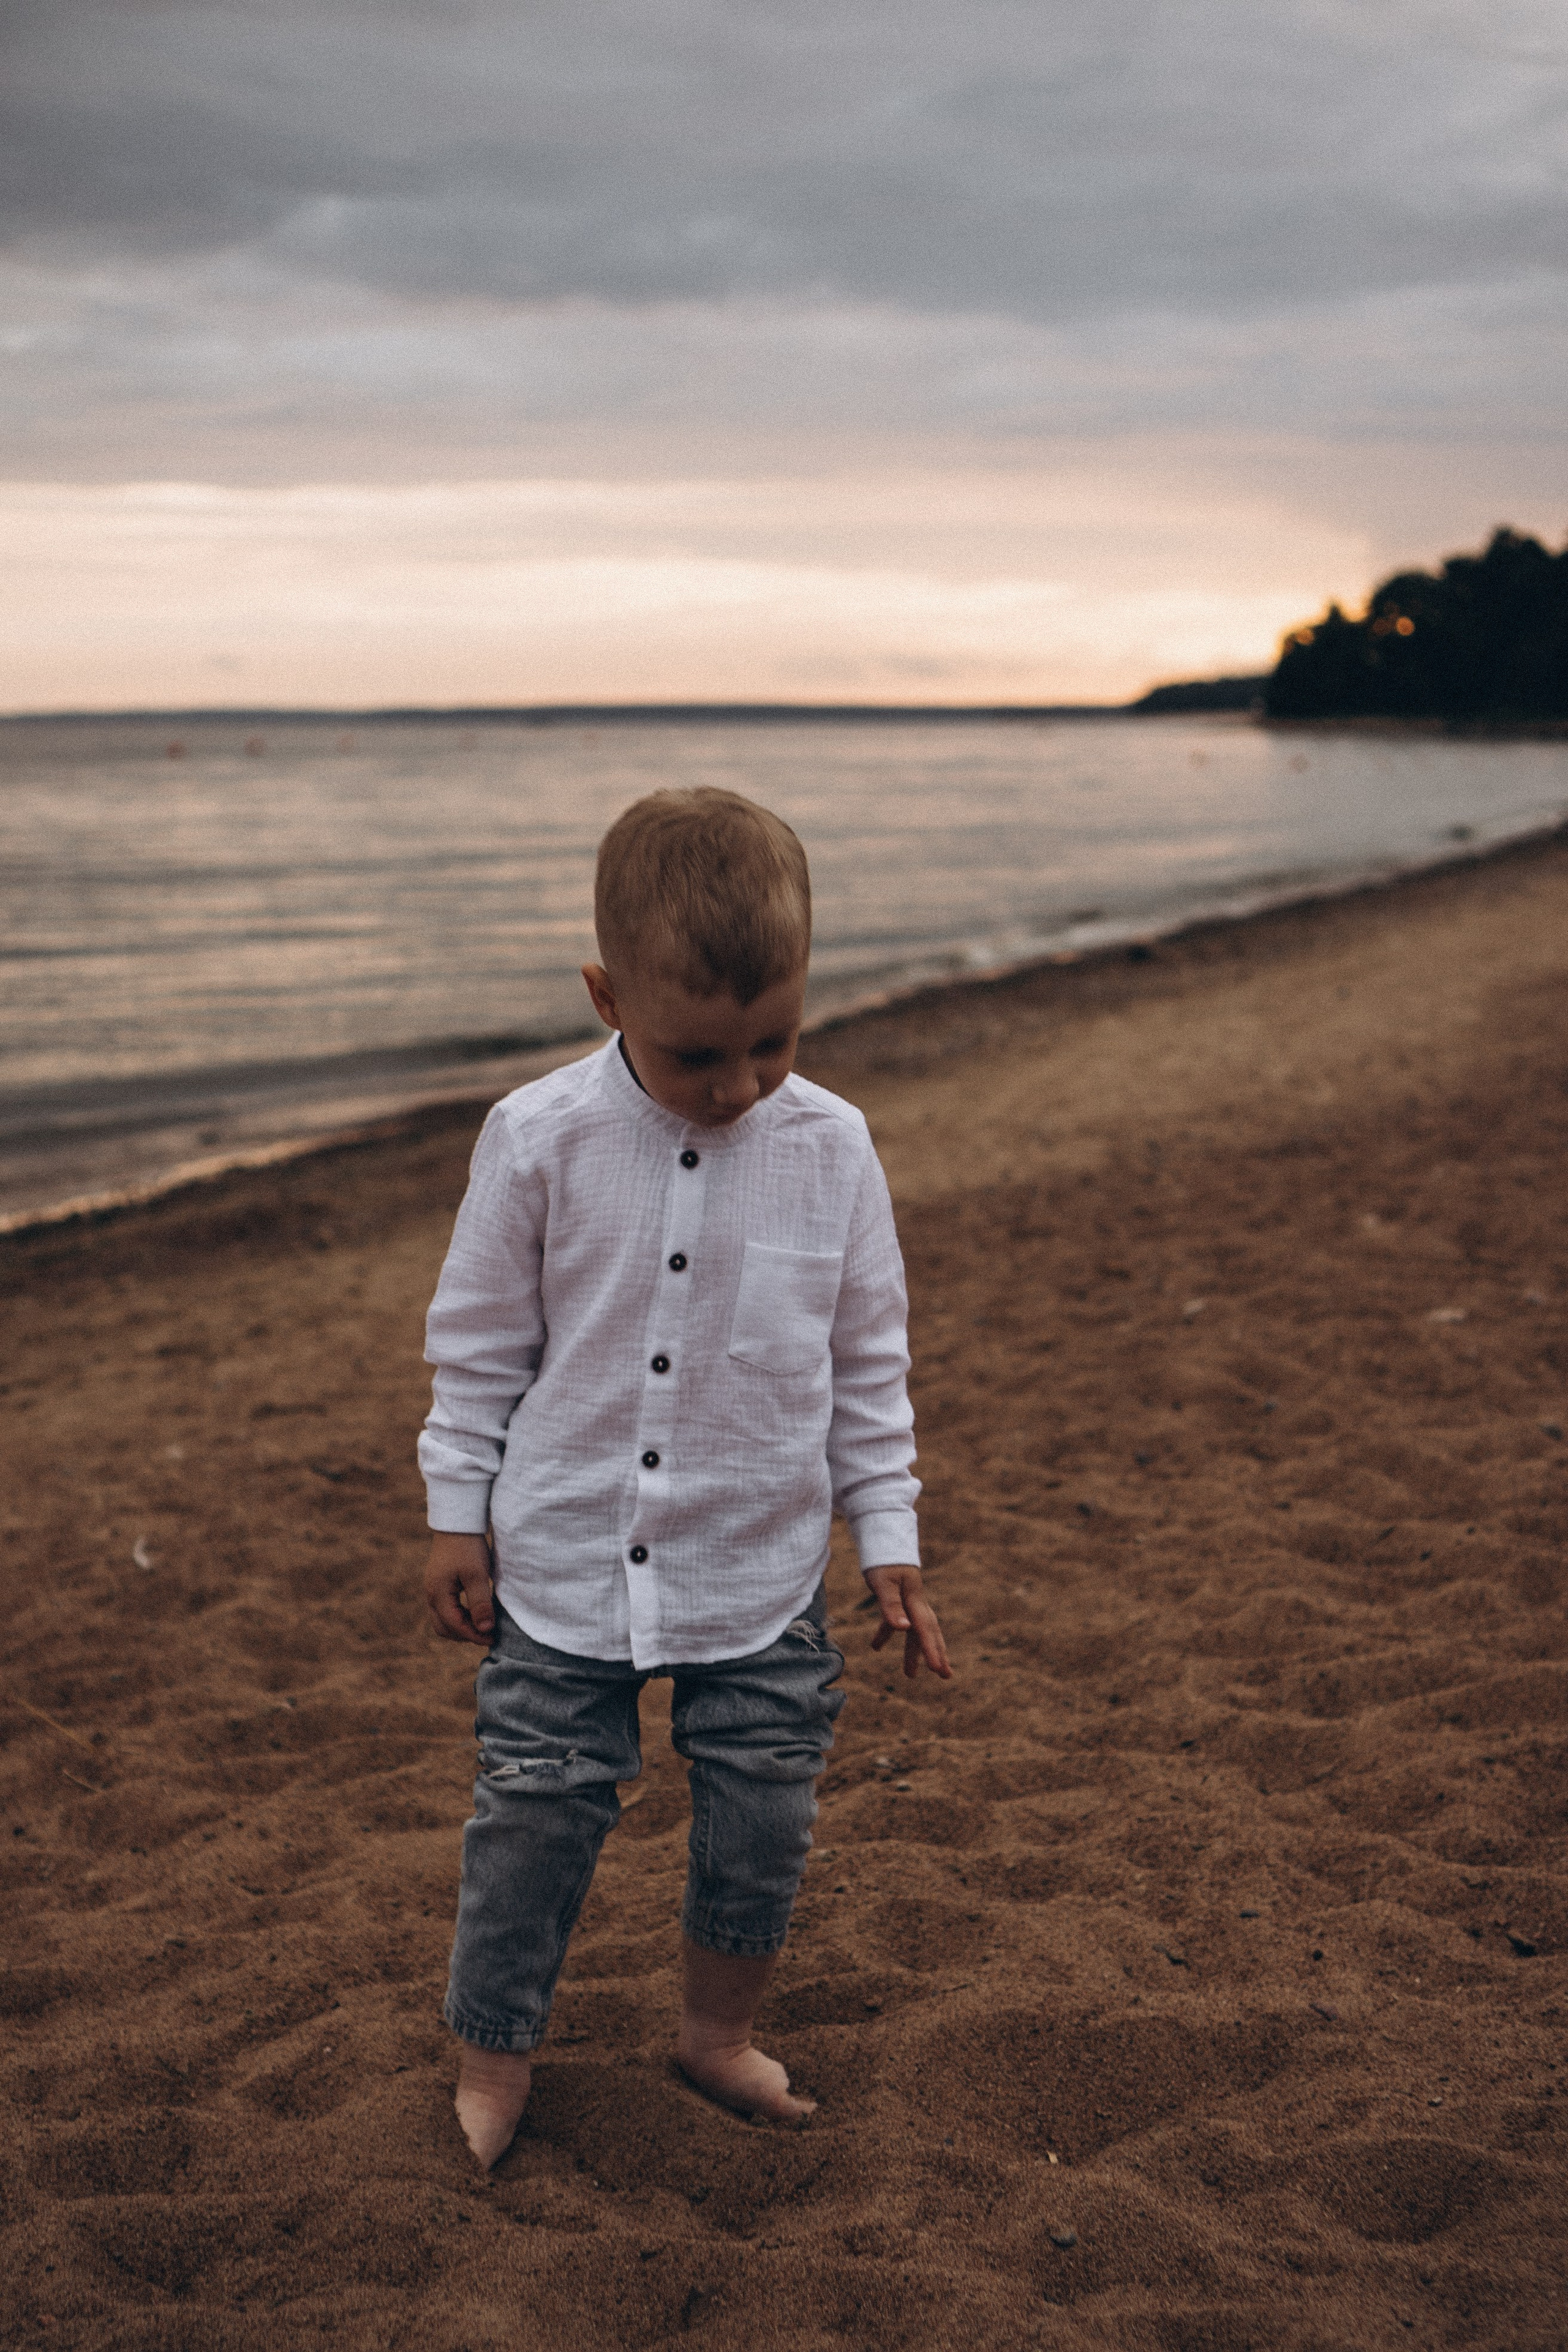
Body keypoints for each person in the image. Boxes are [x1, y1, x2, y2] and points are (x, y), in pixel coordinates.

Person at [419, 785, 949, 2169]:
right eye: (696, 1053)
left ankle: (713, 2037)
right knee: (533, 1814)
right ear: (606, 996)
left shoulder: (831, 1149)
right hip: (562, 1555)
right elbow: (477, 1349)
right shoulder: (536, 1140)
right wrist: (452, 1516)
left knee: (761, 1820)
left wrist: (885, 1536)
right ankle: (494, 2063)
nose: (736, 1086)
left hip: (760, 1567)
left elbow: (865, 1363)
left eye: (772, 1042)